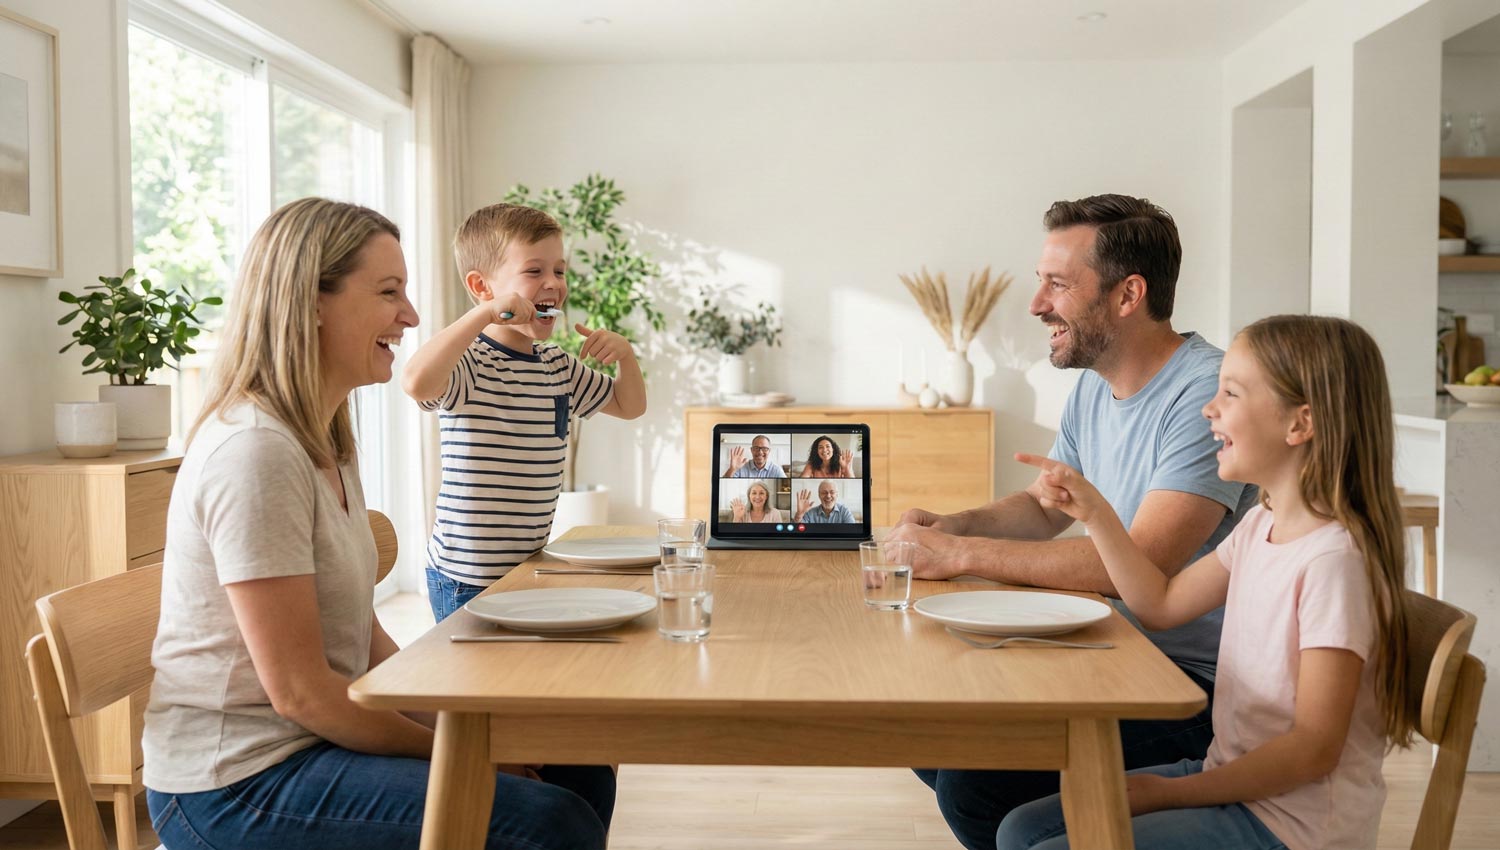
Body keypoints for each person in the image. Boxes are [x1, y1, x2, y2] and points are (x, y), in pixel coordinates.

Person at [143, 198, 615, 850]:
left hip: (315, 743)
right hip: (238, 781)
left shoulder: (325, 440)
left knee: (575, 760)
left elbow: (363, 644)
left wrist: (470, 730)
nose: (412, 315)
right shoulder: (254, 452)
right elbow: (304, 696)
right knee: (546, 822)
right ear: (311, 300)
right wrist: (461, 753)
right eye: (389, 292)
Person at [891, 194, 1258, 850]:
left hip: (1190, 691)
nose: (1036, 305)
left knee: (973, 783)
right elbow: (1042, 508)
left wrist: (960, 557)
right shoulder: (1097, 383)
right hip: (1116, 653)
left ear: (1128, 295)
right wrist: (953, 526)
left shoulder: (1205, 396)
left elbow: (1138, 566)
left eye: (1056, 284)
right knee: (934, 731)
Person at [998, 315, 1415, 850]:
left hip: (1293, 825)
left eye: (1231, 394)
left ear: (1299, 424)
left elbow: (1313, 748)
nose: (1209, 409)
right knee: (1019, 831)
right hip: (1236, 778)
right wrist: (1098, 513)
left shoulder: (1334, 563)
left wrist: (1176, 792)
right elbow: (1160, 603)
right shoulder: (1260, 526)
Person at [403, 203, 646, 622]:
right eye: (534, 272)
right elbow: (415, 382)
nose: (553, 283)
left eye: (560, 271)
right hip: (465, 576)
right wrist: (483, 314)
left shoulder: (556, 364)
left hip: (525, 566)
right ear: (481, 286)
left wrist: (625, 355)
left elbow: (629, 406)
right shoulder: (471, 363)